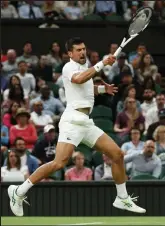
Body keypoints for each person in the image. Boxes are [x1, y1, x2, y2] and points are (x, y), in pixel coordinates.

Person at [7, 37, 146, 217]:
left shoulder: (84, 66)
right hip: (72, 121)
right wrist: (102, 63)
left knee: (117, 154)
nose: (82, 52)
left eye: (83, 49)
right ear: (70, 53)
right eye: (78, 50)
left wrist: (103, 90)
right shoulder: (68, 67)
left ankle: (122, 197)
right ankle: (18, 192)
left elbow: (86, 87)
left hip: (86, 122)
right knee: (59, 163)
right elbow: (79, 80)